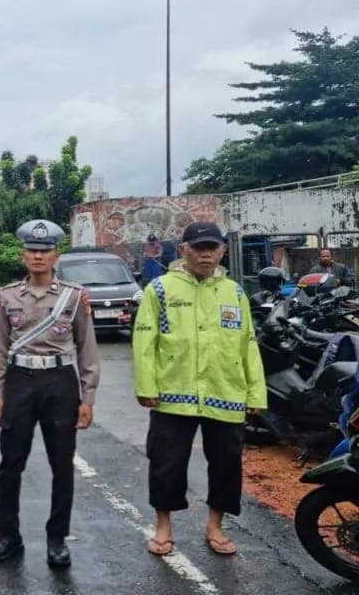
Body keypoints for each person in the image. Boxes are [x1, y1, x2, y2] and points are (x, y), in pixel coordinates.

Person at [133, 221, 267, 557]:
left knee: (226, 463)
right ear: (183, 250)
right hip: (172, 395)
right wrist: (146, 385)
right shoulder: (160, 289)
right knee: (166, 462)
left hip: (226, 392)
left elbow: (248, 343)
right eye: (198, 247)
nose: (205, 254)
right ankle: (163, 526)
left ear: (222, 250)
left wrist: (255, 392)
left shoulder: (235, 293)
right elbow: (144, 341)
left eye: (212, 247)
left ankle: (215, 525)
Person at [0, 219, 100, 568]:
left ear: (56, 255)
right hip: (20, 382)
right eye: (32, 251)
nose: (38, 256)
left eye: (45, 250)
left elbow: (87, 349)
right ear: (23, 256)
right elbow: (1, 348)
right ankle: (8, 534)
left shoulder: (74, 296)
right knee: (11, 463)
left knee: (61, 464)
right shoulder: (8, 296)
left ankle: (57, 538)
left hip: (60, 383)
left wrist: (88, 398)